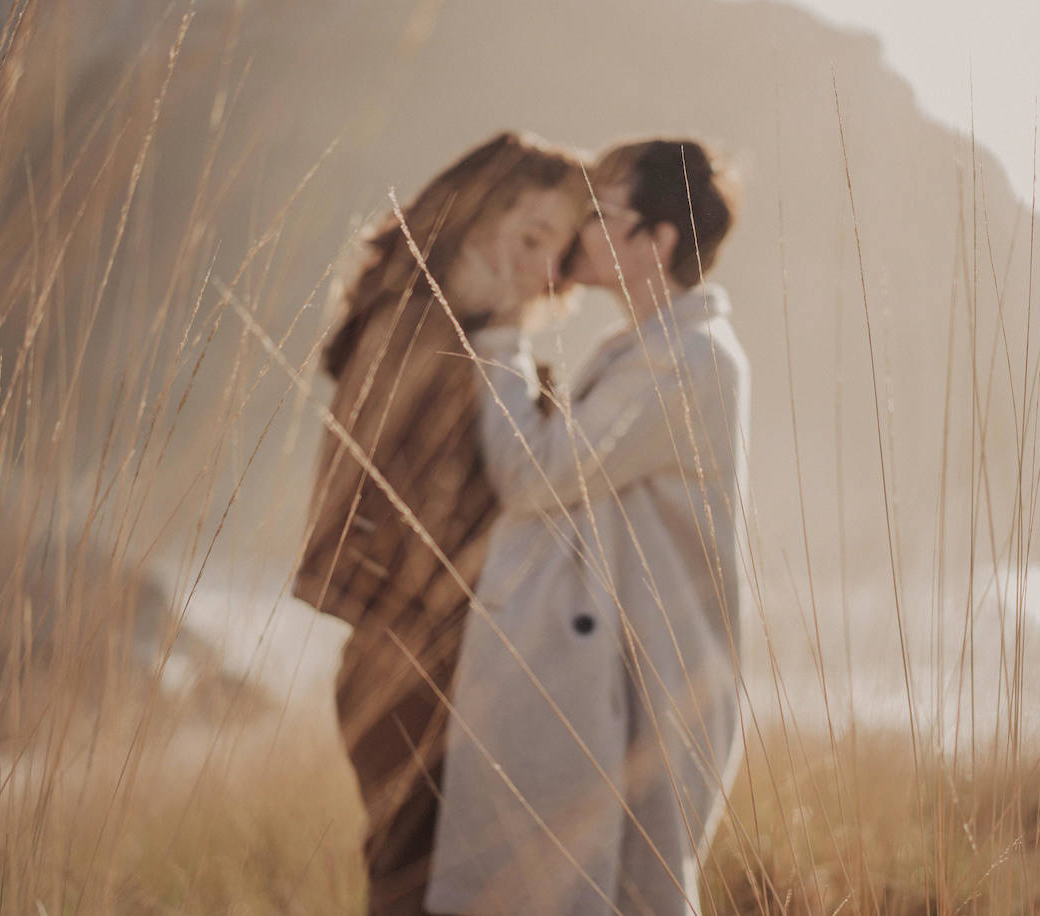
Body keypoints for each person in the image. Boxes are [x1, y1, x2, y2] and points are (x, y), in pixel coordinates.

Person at [426, 139, 750, 915]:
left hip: (660, 683)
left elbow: (534, 478)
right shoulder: (655, 348)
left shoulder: (688, 361)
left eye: (601, 216)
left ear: (659, 241)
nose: (580, 233)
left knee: (635, 894)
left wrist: (504, 336)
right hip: (633, 673)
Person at [293, 130, 589, 915]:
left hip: (445, 667)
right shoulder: (418, 334)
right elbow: (391, 526)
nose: (546, 271)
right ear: (471, 221)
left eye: (559, 253)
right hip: (411, 668)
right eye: (531, 239)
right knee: (418, 889)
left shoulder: (469, 343)